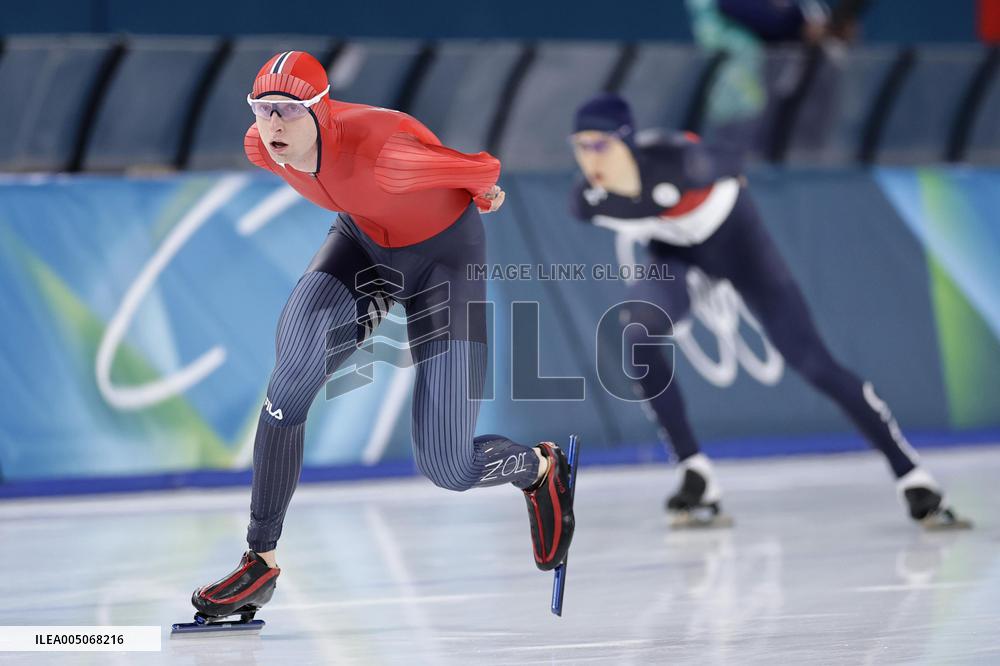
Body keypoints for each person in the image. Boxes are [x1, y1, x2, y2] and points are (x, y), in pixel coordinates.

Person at [189, 51, 576, 623]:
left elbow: (484, 168)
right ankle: (259, 559)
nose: (272, 125)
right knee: (287, 386)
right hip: (363, 246)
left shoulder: (386, 155)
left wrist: (482, 191)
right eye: (262, 109)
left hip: (445, 262)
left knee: (447, 466)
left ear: (320, 112)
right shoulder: (260, 146)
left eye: (288, 111)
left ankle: (540, 471)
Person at [568, 92, 970, 531]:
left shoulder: (680, 161)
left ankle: (912, 475)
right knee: (637, 334)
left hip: (740, 249)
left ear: (627, 142)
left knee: (816, 365)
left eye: (600, 144)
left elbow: (734, 159)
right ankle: (693, 471)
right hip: (675, 254)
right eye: (581, 146)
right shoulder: (587, 199)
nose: (590, 158)